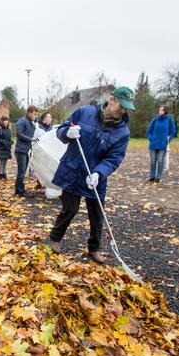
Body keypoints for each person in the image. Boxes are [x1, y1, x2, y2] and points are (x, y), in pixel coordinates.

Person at [48, 87, 135, 264]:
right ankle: (54, 239)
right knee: (69, 209)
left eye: (127, 108)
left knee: (96, 215)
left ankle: (94, 248)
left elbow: (114, 158)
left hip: (95, 177)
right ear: (111, 100)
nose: (123, 111)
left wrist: (98, 173)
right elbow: (62, 130)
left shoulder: (122, 132)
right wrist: (67, 133)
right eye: (121, 105)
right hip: (73, 170)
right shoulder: (84, 112)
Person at [145, 106, 176, 182]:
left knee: (160, 160)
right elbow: (148, 131)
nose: (160, 111)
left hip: (163, 144)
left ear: (165, 111)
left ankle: (158, 177)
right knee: (153, 161)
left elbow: (173, 131)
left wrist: (169, 138)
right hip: (153, 144)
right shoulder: (155, 120)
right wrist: (151, 138)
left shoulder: (169, 120)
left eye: (162, 110)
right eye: (159, 110)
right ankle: (152, 176)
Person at [14, 105, 38, 197]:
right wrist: (31, 139)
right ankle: (20, 191)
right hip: (21, 150)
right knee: (21, 172)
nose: (36, 116)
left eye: (36, 115)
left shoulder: (31, 123)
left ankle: (18, 190)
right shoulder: (22, 121)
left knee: (22, 171)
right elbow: (19, 134)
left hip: (27, 150)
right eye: (34, 114)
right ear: (29, 113)